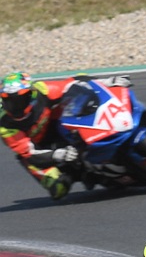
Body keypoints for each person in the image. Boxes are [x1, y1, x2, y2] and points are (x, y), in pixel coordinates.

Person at [0, 71, 131, 200]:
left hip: (59, 124)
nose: (14, 106)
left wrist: (107, 82)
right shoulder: (5, 125)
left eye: (19, 100)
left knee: (82, 107)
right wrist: (59, 155)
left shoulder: (43, 90)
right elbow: (30, 154)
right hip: (40, 150)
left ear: (31, 94)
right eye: (8, 101)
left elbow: (72, 83)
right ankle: (91, 176)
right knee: (59, 188)